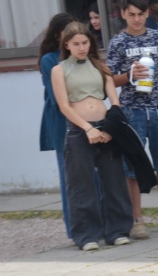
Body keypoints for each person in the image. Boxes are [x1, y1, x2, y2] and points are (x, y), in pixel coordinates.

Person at [106, 0, 158, 239]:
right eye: (132, 15)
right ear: (123, 15)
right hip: (131, 110)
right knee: (132, 165)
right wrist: (129, 75)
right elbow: (110, 80)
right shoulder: (118, 43)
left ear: (148, 13)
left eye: (141, 14)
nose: (137, 19)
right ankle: (137, 219)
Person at [50, 22, 133, 251]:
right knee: (81, 184)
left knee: (114, 180)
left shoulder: (100, 66)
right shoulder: (59, 70)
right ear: (66, 44)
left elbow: (114, 100)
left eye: (85, 42)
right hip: (79, 130)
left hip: (105, 127)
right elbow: (64, 106)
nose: (81, 48)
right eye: (75, 44)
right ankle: (87, 235)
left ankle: (118, 230)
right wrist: (88, 128)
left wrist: (109, 127)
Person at [38, 12, 76, 238]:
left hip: (84, 120)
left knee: (94, 174)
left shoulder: (80, 54)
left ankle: (98, 223)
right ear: (57, 34)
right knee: (69, 176)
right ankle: (74, 228)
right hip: (62, 123)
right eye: (68, 32)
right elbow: (57, 97)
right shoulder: (49, 60)